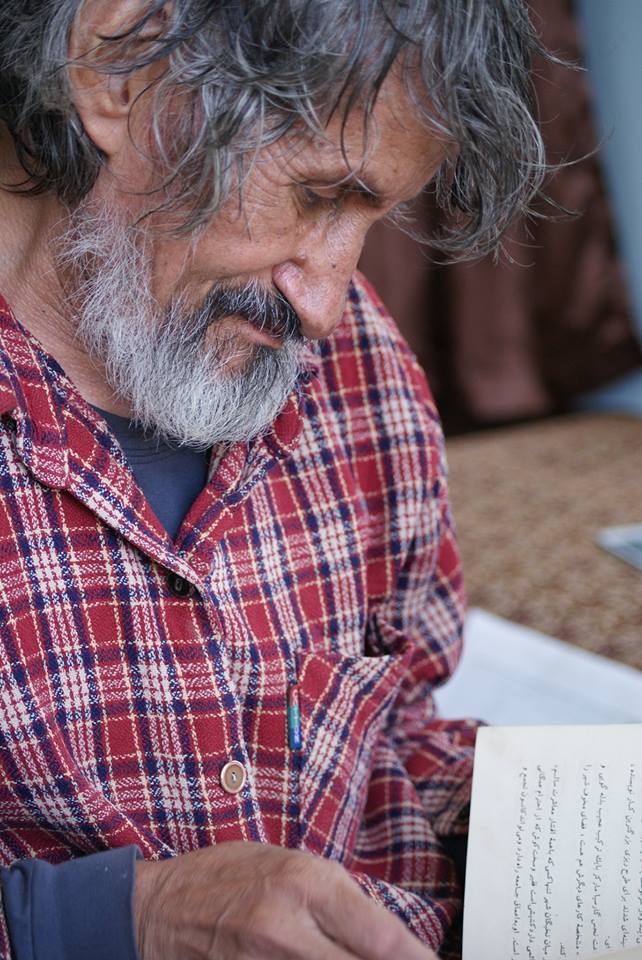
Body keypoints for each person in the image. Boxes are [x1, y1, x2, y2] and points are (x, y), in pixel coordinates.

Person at [0, 1, 548, 958]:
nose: (328, 304)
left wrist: (540, 828)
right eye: (318, 195)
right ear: (117, 68)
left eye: (374, 216)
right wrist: (106, 922)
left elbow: (388, 731)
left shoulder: (346, 354)